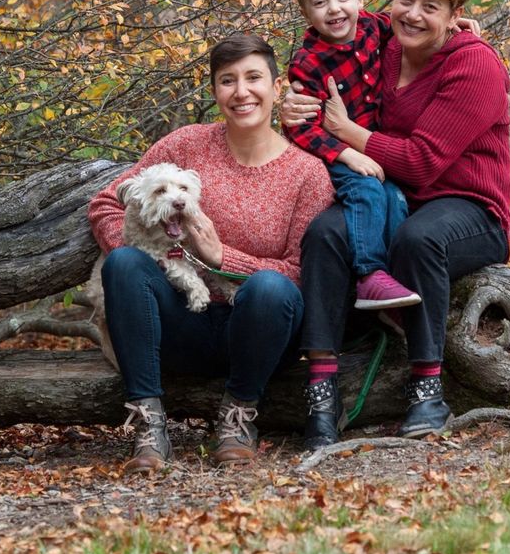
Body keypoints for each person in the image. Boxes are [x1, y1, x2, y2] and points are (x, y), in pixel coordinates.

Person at [283, 0, 510, 449]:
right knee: (325, 233)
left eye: (432, 7)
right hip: (391, 196)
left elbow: (424, 161)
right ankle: (322, 392)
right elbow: (326, 43)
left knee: (418, 239)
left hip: (468, 207)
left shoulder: (475, 64)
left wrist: (346, 132)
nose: (413, 14)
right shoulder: (382, 42)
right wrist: (292, 101)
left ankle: (427, 390)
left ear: (455, 17)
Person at [88, 33, 335, 472]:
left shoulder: (307, 173)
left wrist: (221, 257)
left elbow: (300, 273)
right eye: (227, 81)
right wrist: (150, 246)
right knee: (125, 262)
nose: (241, 92)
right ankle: (148, 422)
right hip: (178, 321)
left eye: (254, 78)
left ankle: (238, 415)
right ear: (215, 91)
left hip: (260, 332)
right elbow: (106, 203)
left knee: (271, 288)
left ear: (277, 89)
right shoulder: (185, 145)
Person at [285, 0, 420, 311]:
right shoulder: (308, 63)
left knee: (395, 197)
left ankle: (394, 277)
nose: (334, 9)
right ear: (306, 12)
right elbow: (302, 129)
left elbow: (416, 26)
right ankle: (369, 275)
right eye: (320, 2)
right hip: (334, 153)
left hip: (372, 146)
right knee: (366, 191)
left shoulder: (375, 28)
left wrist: (455, 24)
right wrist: (348, 155)